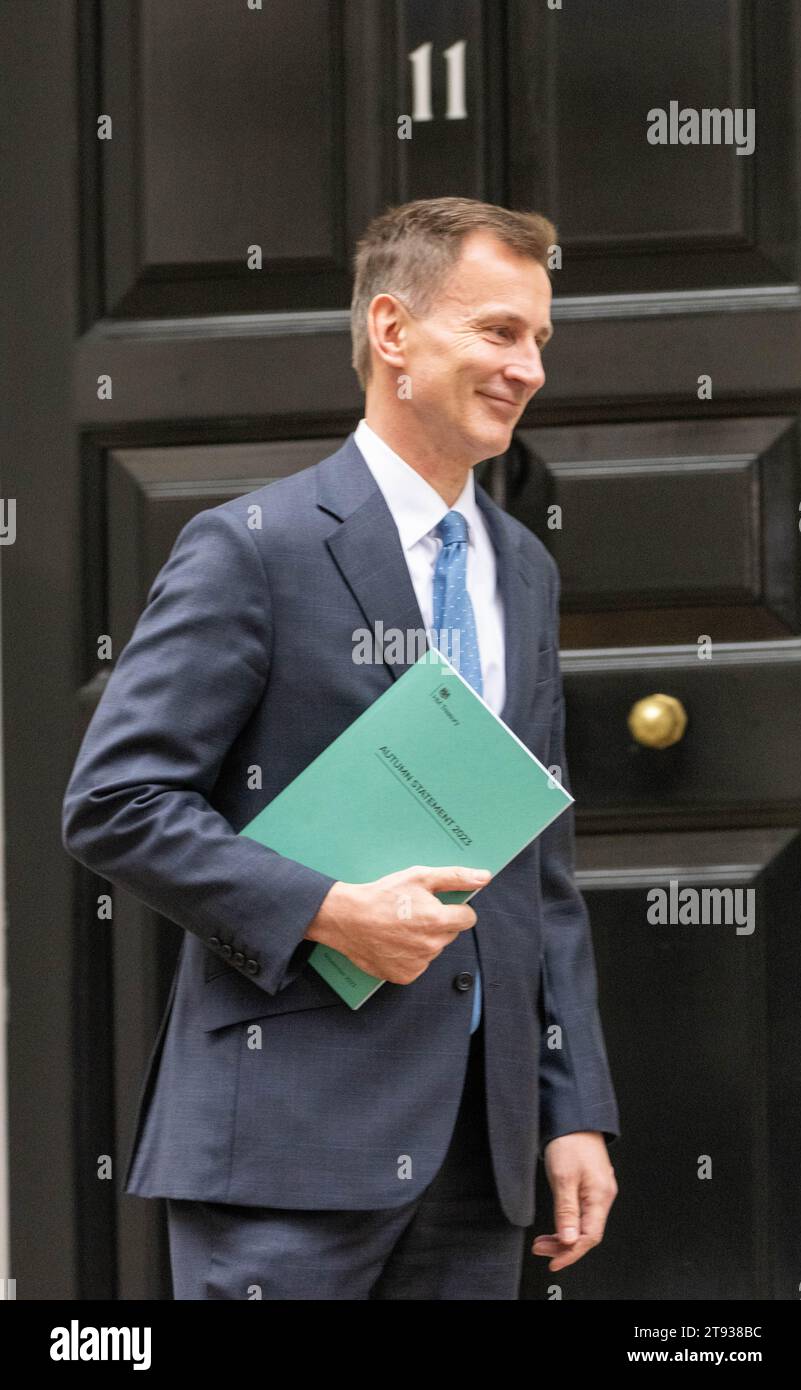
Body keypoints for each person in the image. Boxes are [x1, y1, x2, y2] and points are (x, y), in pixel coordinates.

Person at [62, 195, 620, 1300]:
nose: (528, 368)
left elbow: (539, 870)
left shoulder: (522, 570)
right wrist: (330, 911)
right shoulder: (252, 548)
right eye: (498, 331)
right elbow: (116, 801)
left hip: (479, 1147)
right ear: (393, 332)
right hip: (286, 1139)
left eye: (539, 340)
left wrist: (573, 1108)